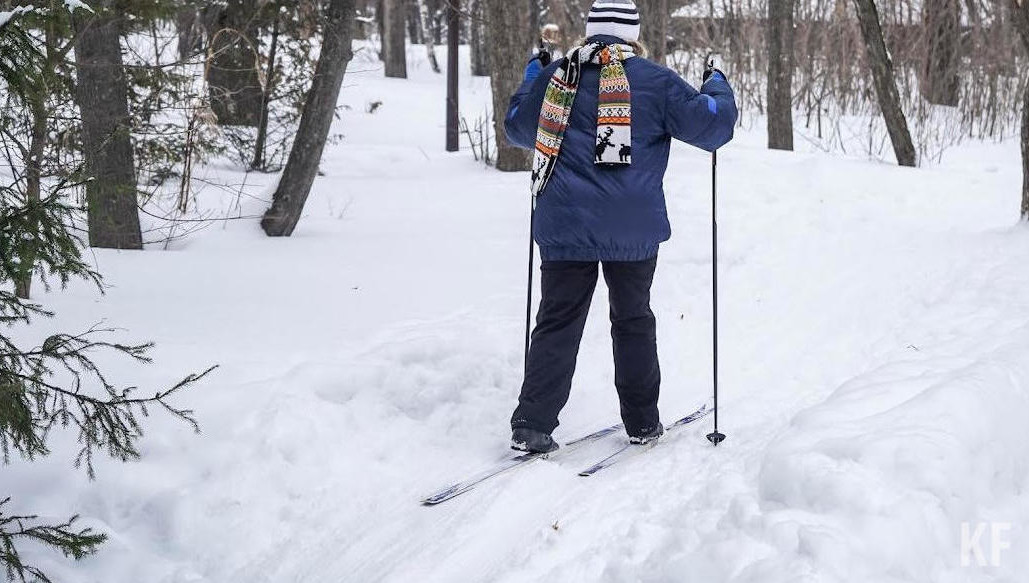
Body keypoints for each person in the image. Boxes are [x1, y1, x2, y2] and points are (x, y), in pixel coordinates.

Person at [502, 0, 738, 453]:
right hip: (631, 227)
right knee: (632, 319)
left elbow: (518, 128)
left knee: (557, 321)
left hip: (565, 224)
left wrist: (535, 73)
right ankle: (643, 423)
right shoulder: (655, 81)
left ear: (589, 33)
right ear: (633, 35)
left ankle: (532, 423)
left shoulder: (558, 78)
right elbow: (713, 128)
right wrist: (717, 83)